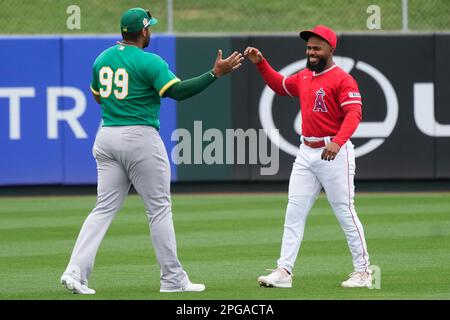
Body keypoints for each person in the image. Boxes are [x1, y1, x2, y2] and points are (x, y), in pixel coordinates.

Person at [60, 7, 243, 294]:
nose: (151, 31)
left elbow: (98, 96)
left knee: (103, 208)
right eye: (150, 27)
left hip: (106, 135)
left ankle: (75, 272)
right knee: (158, 210)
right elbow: (178, 91)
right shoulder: (150, 61)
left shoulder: (102, 58)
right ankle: (172, 279)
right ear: (144, 31)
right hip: (139, 136)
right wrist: (214, 73)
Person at [244, 25, 371, 288]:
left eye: (316, 48)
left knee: (345, 212)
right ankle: (284, 271)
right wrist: (261, 63)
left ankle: (364, 272)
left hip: (334, 152)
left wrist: (337, 141)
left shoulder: (342, 79)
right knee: (294, 211)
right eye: (309, 47)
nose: (311, 52)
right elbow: (279, 86)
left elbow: (354, 114)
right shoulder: (304, 76)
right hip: (306, 151)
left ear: (330, 49)